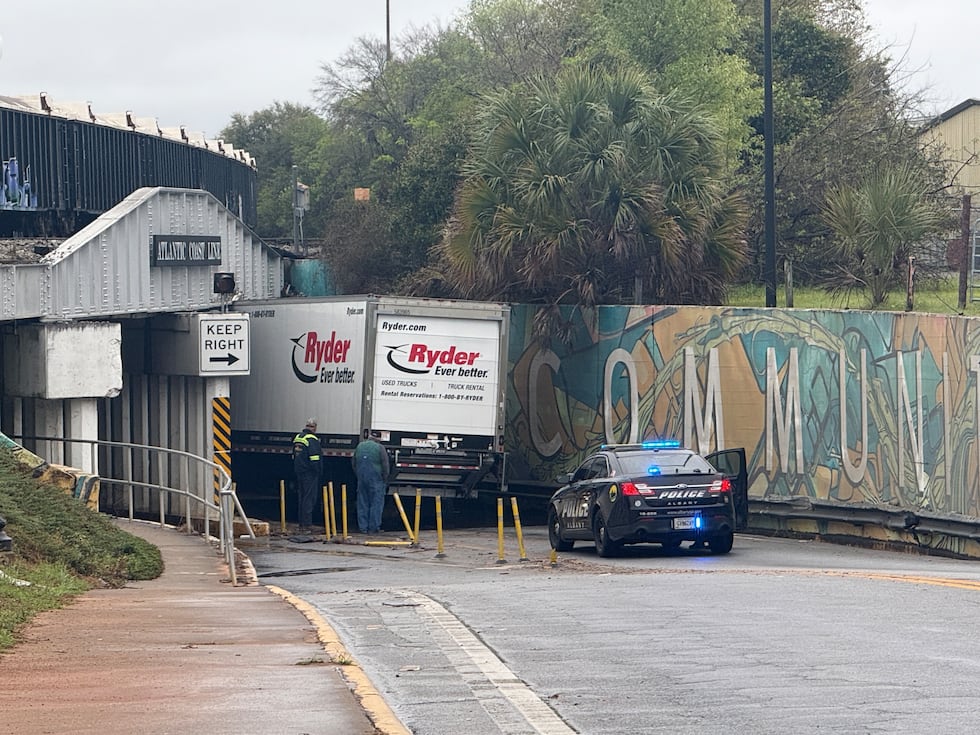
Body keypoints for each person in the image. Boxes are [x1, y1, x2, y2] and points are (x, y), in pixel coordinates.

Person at [352, 429, 389, 534]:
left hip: (362, 478)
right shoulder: (380, 448)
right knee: (376, 503)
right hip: (376, 479)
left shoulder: (360, 446)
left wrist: (359, 475)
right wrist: (385, 478)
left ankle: (363, 527)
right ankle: (374, 528)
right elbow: (385, 465)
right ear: (378, 439)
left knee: (362, 502)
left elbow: (354, 463)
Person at [292, 418, 322, 532]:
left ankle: (301, 523)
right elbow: (314, 458)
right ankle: (307, 524)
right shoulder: (312, 439)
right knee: (309, 498)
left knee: (302, 497)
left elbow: (294, 455)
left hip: (300, 471)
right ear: (314, 427)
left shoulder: (298, 437)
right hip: (310, 473)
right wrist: (318, 471)